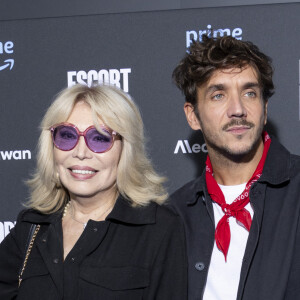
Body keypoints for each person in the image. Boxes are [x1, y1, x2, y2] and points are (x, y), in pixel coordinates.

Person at [0, 84, 187, 299]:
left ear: (125, 149)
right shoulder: (32, 225)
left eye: (99, 138)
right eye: (67, 136)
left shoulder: (158, 228)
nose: (80, 153)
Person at [170, 35, 300, 300]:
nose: (238, 109)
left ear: (264, 109)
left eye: (249, 93)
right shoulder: (174, 214)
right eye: (218, 95)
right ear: (193, 116)